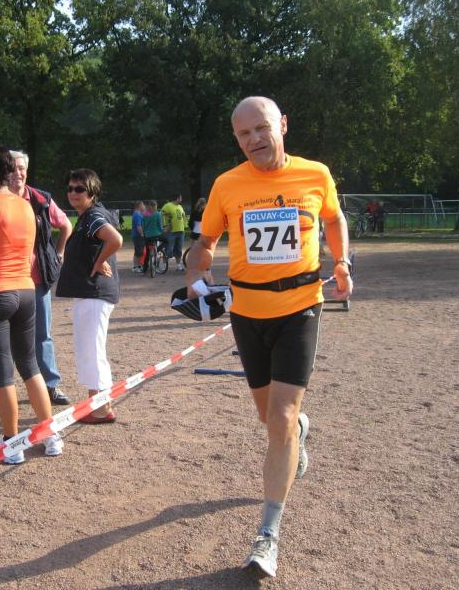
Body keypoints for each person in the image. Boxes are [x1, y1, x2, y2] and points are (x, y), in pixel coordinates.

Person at [185, 96, 353, 578]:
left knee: (279, 417)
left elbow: (334, 218)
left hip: (300, 308)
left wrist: (342, 262)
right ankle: (298, 431)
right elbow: (205, 242)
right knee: (270, 419)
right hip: (247, 314)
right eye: (244, 134)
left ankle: (268, 535)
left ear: (282, 124)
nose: (254, 139)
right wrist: (196, 272)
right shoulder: (227, 184)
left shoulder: (315, 174)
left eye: (261, 128)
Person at [0, 145, 64, 460]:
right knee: (30, 366)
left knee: (3, 372)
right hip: (26, 290)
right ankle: (49, 434)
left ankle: (11, 443)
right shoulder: (26, 206)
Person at [0, 150, 73, 411]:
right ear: (5, 172)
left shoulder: (38, 200)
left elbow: (65, 225)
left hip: (25, 282)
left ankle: (49, 385)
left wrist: (58, 254)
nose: (18, 173)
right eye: (14, 168)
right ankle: (2, 393)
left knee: (37, 339)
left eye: (22, 168)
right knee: (15, 355)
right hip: (17, 284)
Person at [56, 169, 122, 423]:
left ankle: (101, 408)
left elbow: (115, 239)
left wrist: (98, 260)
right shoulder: (89, 216)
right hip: (91, 292)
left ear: (92, 192)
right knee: (91, 350)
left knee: (92, 352)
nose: (73, 193)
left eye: (79, 189)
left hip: (94, 292)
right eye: (70, 188)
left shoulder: (93, 216)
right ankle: (99, 404)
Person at [161, 193, 187, 271]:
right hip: (171, 232)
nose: (181, 200)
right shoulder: (167, 206)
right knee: (169, 249)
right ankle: (164, 265)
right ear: (177, 198)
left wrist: (184, 224)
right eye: (180, 198)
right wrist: (164, 226)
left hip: (180, 231)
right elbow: (161, 215)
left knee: (179, 249)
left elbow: (183, 216)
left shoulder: (180, 206)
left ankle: (178, 265)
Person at [141, 199, 163, 274]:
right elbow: (159, 225)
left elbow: (143, 225)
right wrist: (162, 231)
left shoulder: (145, 214)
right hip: (156, 234)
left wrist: (145, 232)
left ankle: (144, 269)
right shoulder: (157, 214)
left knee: (147, 252)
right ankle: (157, 250)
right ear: (155, 206)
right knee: (166, 241)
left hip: (147, 235)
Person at [130, 200, 146, 273]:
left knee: (140, 251)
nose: (144, 206)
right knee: (138, 252)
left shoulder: (138, 213)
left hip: (137, 235)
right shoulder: (137, 214)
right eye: (143, 205)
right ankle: (135, 267)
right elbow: (138, 226)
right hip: (138, 236)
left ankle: (139, 266)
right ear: (139, 206)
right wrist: (142, 234)